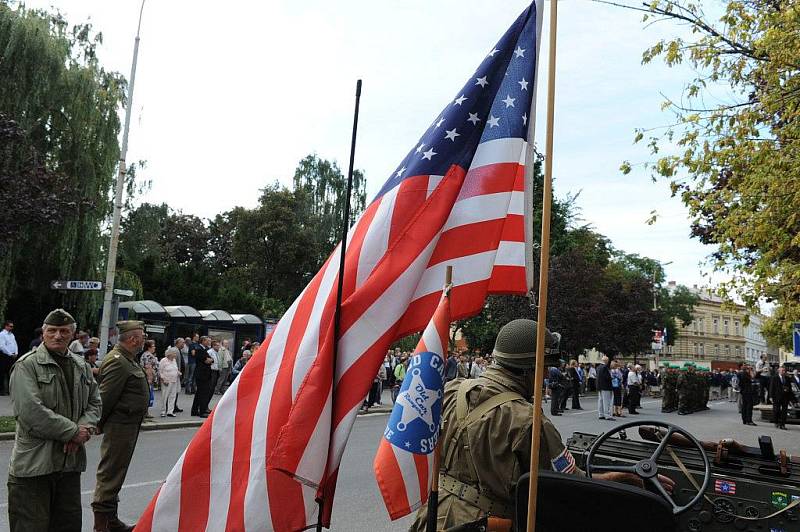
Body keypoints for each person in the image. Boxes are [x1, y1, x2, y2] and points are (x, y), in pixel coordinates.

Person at [410, 319, 674, 531]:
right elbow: (571, 485)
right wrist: (626, 477)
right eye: (544, 367)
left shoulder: (450, 390)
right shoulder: (527, 422)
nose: (546, 375)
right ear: (529, 369)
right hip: (487, 522)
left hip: (437, 515)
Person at [7, 309, 101, 532]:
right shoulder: (26, 365)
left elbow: (95, 402)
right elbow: (31, 413)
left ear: (72, 335)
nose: (57, 335)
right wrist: (72, 432)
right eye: (52, 331)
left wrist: (85, 428)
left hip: (69, 465)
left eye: (64, 331)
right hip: (34, 467)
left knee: (67, 525)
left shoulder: (81, 366)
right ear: (43, 333)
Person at [92, 320, 150, 532]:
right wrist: (97, 424)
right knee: (110, 473)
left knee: (117, 472)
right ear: (133, 338)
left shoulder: (128, 359)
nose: (144, 339)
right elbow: (105, 397)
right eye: (142, 336)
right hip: (119, 426)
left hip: (128, 425)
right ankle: (102, 525)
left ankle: (111, 520)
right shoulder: (118, 361)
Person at [190, 336, 214, 418]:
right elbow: (206, 360)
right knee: (203, 393)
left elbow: (211, 360)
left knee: (199, 393)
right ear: (203, 341)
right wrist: (210, 360)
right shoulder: (199, 349)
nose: (209, 342)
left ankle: (195, 410)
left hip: (204, 374)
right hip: (202, 374)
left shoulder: (204, 349)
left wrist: (210, 360)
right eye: (207, 341)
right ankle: (202, 411)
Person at [159, 347, 181, 417]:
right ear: (169, 354)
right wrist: (163, 379)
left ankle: (170, 411)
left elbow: (175, 368)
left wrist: (178, 372)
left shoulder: (174, 360)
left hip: (174, 380)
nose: (175, 355)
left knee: (173, 396)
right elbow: (160, 371)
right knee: (165, 396)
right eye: (174, 353)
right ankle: (163, 411)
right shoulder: (163, 360)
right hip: (166, 381)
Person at [140, 340, 159, 419]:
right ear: (149, 347)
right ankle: (144, 413)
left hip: (149, 377)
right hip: (148, 378)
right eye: (153, 346)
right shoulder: (148, 356)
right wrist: (150, 378)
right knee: (148, 395)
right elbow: (148, 367)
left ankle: (146, 412)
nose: (154, 347)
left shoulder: (148, 355)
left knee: (149, 395)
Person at [770, 365, 793, 430]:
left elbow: (790, 388)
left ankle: (782, 424)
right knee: (776, 410)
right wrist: (771, 396)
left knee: (784, 411)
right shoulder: (774, 378)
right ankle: (776, 422)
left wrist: (790, 396)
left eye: (784, 370)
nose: (783, 372)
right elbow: (771, 387)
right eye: (782, 370)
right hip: (777, 397)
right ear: (779, 371)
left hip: (785, 397)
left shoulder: (787, 378)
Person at [0, 320, 19, 395]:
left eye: (12, 326)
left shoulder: (12, 335)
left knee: (11, 373)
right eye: (11, 326)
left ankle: (10, 390)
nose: (12, 327)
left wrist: (16, 352)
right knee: (2, 373)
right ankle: (2, 390)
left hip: (12, 356)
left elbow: (15, 343)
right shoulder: (2, 334)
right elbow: (2, 346)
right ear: (6, 326)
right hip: (5, 356)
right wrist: (10, 354)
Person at [596, 356, 614, 421]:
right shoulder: (605, 367)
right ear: (606, 361)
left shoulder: (598, 367)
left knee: (600, 401)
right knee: (607, 401)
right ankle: (608, 415)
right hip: (606, 386)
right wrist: (611, 377)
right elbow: (607, 377)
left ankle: (601, 414)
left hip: (600, 386)